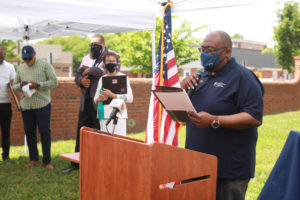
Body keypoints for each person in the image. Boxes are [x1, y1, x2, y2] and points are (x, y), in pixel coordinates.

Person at [181, 30, 264, 200]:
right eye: (202, 49)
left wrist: (214, 120)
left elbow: (254, 117)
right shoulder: (201, 76)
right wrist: (182, 90)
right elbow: (187, 113)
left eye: (210, 50)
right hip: (196, 165)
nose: (205, 54)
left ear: (227, 52)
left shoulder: (243, 77)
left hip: (228, 170)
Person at [63, 34, 107, 173]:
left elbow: (103, 71)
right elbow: (77, 75)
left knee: (99, 134)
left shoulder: (110, 57)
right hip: (85, 102)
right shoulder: (86, 58)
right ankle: (76, 164)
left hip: (99, 103)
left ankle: (98, 163)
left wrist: (88, 71)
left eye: (96, 44)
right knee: (81, 132)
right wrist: (81, 81)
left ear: (103, 45)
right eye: (91, 44)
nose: (92, 47)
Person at [13, 45, 58, 170]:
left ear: (34, 54)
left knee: (44, 132)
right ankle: (34, 159)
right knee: (29, 132)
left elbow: (54, 82)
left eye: (29, 58)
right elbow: (14, 86)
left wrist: (38, 85)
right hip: (26, 105)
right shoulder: (20, 68)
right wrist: (21, 85)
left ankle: (47, 161)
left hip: (42, 104)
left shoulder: (45, 65)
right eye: (25, 59)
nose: (27, 61)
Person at [94, 50, 133, 136]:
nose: (111, 63)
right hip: (103, 116)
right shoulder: (102, 79)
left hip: (118, 116)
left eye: (113, 61)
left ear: (117, 63)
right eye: (108, 61)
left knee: (119, 144)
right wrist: (99, 99)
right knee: (106, 144)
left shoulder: (123, 77)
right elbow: (95, 98)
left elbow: (130, 98)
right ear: (104, 63)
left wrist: (112, 95)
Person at [0, 46, 16, 161]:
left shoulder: (10, 67)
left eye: (2, 55)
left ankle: (6, 155)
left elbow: (13, 85)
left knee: (6, 130)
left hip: (5, 103)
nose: (1, 57)